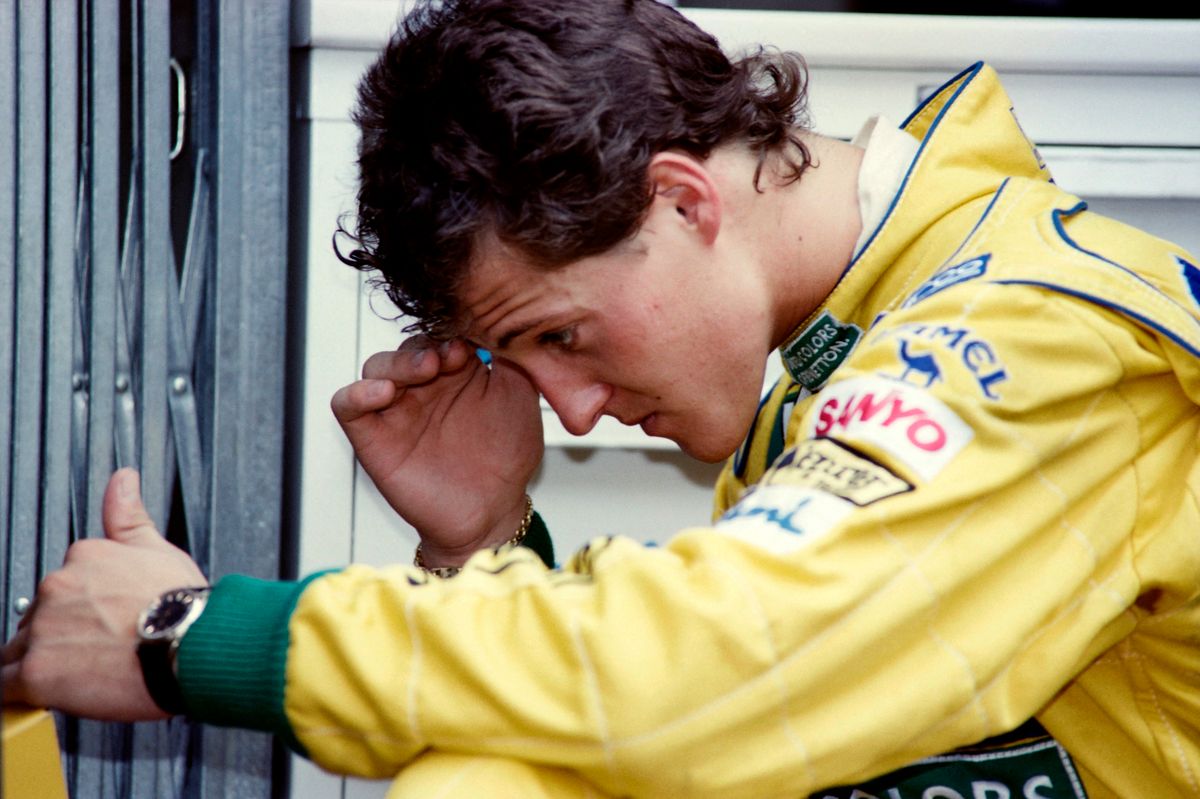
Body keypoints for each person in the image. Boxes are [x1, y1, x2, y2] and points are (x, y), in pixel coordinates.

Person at [5, 1, 1200, 796]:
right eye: (527, 365)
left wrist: (196, 637)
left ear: (683, 200)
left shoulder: (1030, 339)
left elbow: (720, 668)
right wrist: (484, 538)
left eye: (561, 335)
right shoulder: (862, 337)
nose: (570, 413)